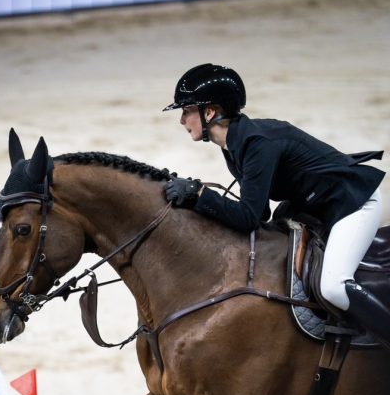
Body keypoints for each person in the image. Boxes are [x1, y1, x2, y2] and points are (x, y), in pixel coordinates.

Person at [162, 62, 390, 350]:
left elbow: (250, 217)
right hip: (315, 205)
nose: (182, 120)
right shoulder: (233, 144)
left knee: (333, 287)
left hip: (353, 204)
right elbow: (262, 213)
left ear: (209, 112)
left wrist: (200, 196)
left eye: (186, 111)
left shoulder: (256, 143)